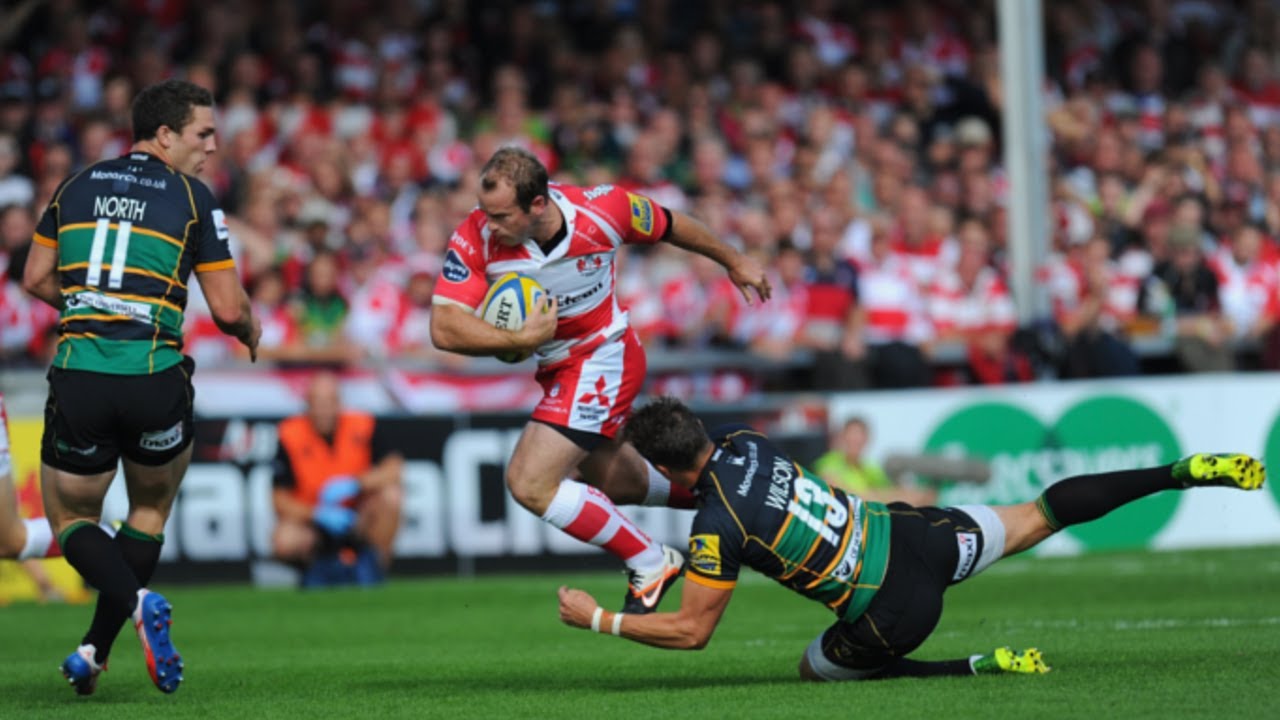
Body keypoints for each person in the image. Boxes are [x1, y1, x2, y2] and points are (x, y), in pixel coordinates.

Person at [557, 396, 1265, 681]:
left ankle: (977, 666)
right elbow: (714, 490)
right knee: (1041, 511)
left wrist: (600, 620)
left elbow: (690, 632)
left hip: (896, 607)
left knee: (814, 670)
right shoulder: (747, 441)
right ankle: (1181, 472)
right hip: (918, 533)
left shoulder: (717, 528)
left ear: (661, 464)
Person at [430, 146, 770, 613]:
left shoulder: (602, 209)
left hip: (603, 357)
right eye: (486, 213)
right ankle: (736, 497)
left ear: (538, 204)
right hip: (556, 369)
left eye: (501, 216)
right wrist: (509, 337)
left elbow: (671, 223)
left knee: (530, 482)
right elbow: (444, 327)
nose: (489, 225)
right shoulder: (476, 233)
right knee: (617, 483)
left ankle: (652, 561)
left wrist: (732, 259)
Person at [21, 79, 261, 695]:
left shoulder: (74, 186)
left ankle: (119, 620)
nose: (212, 146)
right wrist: (252, 328)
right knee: (149, 510)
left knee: (72, 517)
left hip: (81, 377)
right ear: (164, 135)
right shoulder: (193, 197)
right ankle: (98, 646)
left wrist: (89, 307)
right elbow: (230, 311)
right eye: (202, 134)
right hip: (154, 376)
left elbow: (36, 276)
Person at [272, 371, 403, 586]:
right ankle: (315, 572)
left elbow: (394, 469)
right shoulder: (290, 434)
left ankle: (374, 569)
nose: (324, 410)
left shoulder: (363, 424)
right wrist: (317, 514)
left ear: (339, 402)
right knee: (284, 540)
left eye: (329, 402)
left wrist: (356, 484)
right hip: (315, 519)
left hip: (357, 515)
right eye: (317, 402)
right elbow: (279, 499)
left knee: (391, 496)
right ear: (307, 404)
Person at [814, 417, 934, 506]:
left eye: (859, 438)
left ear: (866, 440)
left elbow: (890, 489)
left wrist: (909, 495)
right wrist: (888, 496)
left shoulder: (869, 467)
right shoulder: (828, 462)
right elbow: (846, 496)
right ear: (842, 438)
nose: (855, 442)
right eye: (851, 438)